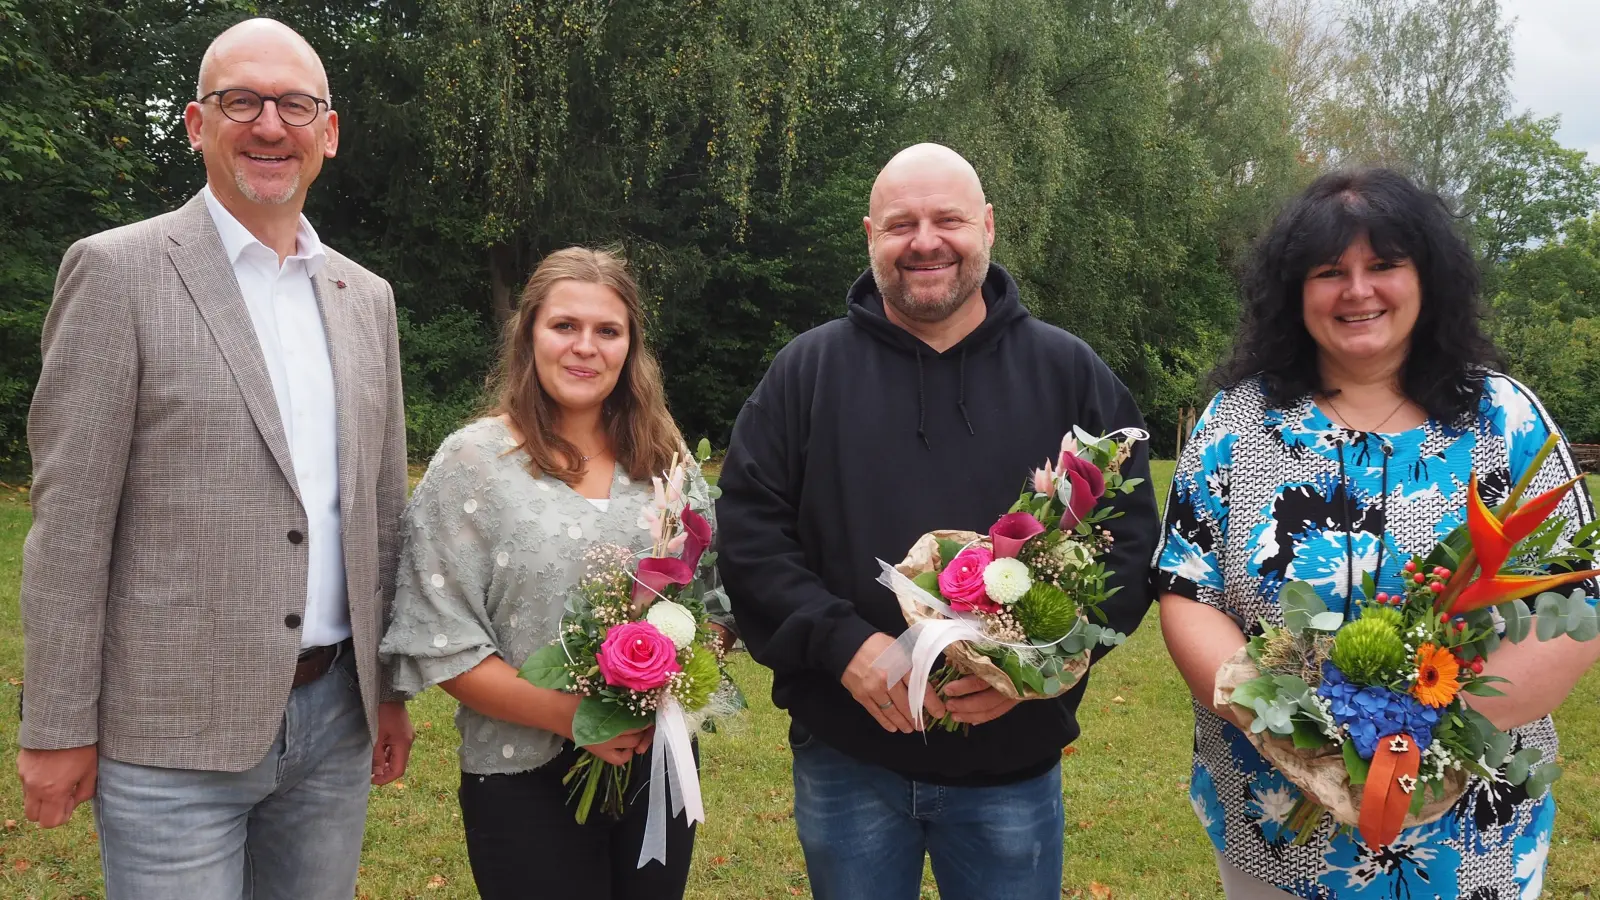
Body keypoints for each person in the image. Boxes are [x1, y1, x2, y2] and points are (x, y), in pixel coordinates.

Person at [15, 17, 414, 900]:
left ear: (329, 133)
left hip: (334, 726)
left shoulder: (365, 298)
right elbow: (71, 524)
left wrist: (390, 691)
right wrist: (53, 725)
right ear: (198, 123)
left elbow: (382, 512)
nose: (270, 125)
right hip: (169, 736)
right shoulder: (117, 273)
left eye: (295, 105)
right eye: (243, 101)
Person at [714, 143, 1158, 900]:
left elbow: (1129, 546)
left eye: (947, 219)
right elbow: (751, 534)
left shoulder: (1070, 373)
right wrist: (842, 646)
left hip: (1011, 766)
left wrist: (1032, 672)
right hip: (849, 755)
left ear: (986, 225)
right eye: (900, 224)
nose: (925, 241)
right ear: (870, 237)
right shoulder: (805, 374)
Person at [1154, 168, 1600, 898]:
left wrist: (1420, 746)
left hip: (1468, 837)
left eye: (1384, 265)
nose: (1357, 291)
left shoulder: (1506, 421)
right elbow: (1186, 589)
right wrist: (1298, 738)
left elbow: (1578, 600)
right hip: (1273, 825)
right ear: (1296, 294)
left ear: (1427, 279)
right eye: (1330, 272)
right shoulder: (1236, 425)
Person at [380, 247, 731, 900]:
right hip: (522, 776)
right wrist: (578, 716)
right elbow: (442, 637)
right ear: (529, 334)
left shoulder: (664, 460)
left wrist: (673, 679)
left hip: (658, 766)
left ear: (631, 347)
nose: (585, 348)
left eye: (608, 331)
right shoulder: (474, 463)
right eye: (564, 326)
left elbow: (711, 603)